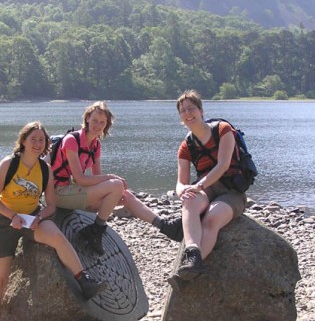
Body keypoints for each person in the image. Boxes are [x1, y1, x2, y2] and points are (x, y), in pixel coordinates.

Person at [0, 121, 108, 321]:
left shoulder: (44, 169)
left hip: (31, 218)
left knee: (57, 236)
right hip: (4, 221)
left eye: (42, 140)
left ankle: (83, 280)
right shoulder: (8, 164)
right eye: (34, 139)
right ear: (23, 141)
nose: (38, 144)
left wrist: (40, 217)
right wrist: (12, 216)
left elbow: (51, 204)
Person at [51, 101, 182, 256]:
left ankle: (164, 226)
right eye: (94, 121)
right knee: (116, 185)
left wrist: (112, 186)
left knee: (125, 195)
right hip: (59, 193)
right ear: (87, 119)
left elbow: (96, 177)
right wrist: (112, 179)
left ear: (107, 124)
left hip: (74, 194)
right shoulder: (72, 140)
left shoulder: (95, 145)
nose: (98, 125)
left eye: (102, 122)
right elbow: (80, 179)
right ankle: (97, 229)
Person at [173, 90, 247, 280]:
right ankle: (192, 255)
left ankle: (188, 273)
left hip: (232, 192)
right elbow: (180, 182)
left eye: (192, 109)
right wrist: (183, 191)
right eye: (183, 111)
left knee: (211, 219)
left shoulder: (223, 130)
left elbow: (223, 165)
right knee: (188, 202)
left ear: (201, 110)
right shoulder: (186, 146)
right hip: (207, 190)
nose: (188, 113)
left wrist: (198, 186)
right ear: (180, 116)